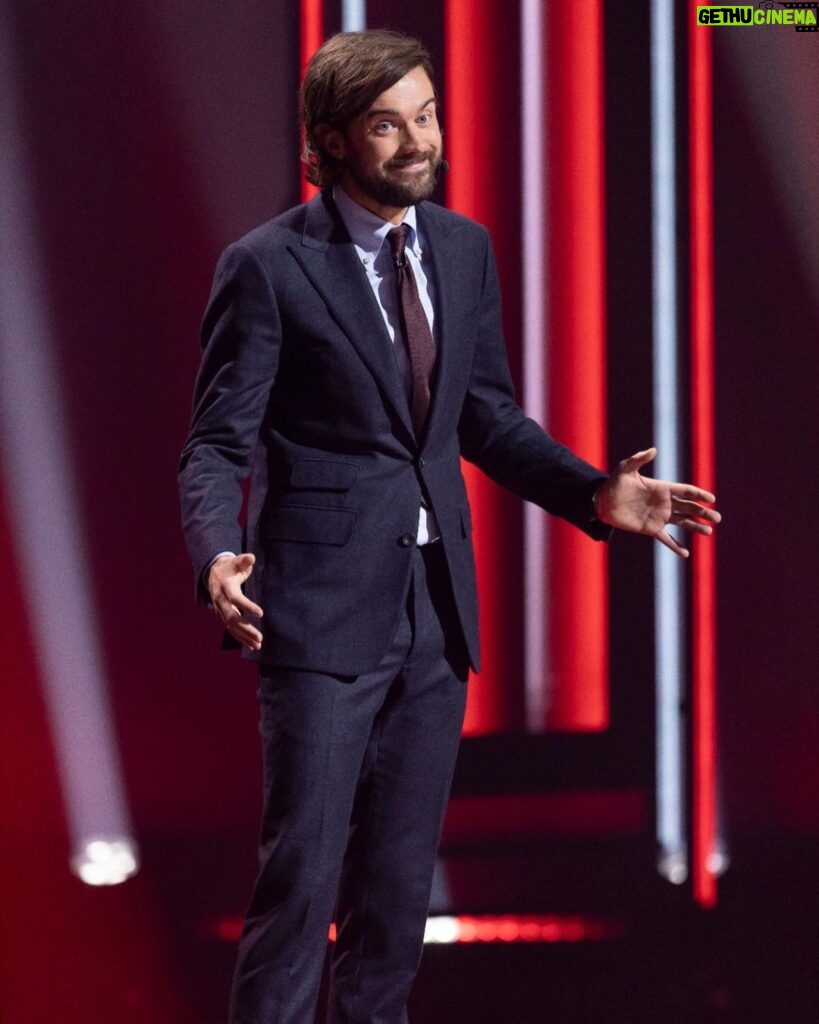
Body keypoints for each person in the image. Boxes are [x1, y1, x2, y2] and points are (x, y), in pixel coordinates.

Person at [178, 29, 720, 1024]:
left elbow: (485, 417)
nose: (418, 140)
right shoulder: (268, 267)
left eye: (426, 116)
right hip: (321, 617)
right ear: (333, 140)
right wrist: (217, 554)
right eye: (389, 124)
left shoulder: (463, 249)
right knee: (299, 892)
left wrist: (594, 493)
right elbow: (217, 443)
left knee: (394, 902)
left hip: (436, 619)